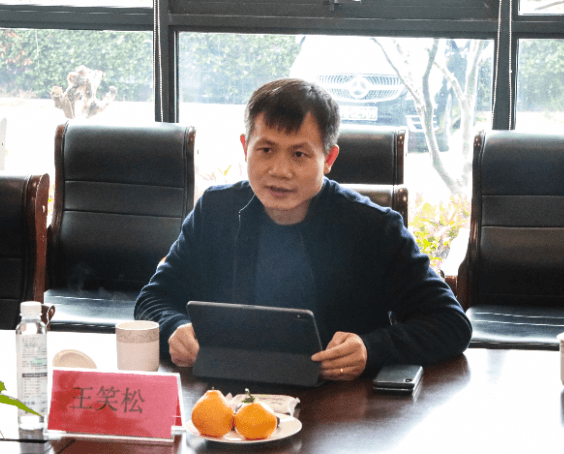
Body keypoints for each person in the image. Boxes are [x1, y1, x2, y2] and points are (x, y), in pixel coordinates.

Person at [134, 78, 472, 381]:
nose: (280, 171)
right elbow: (153, 299)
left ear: (328, 159)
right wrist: (174, 328)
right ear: (245, 147)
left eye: (299, 154)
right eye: (266, 150)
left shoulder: (374, 227)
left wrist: (371, 349)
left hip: (338, 405)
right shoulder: (216, 211)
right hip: (228, 398)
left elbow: (450, 324)